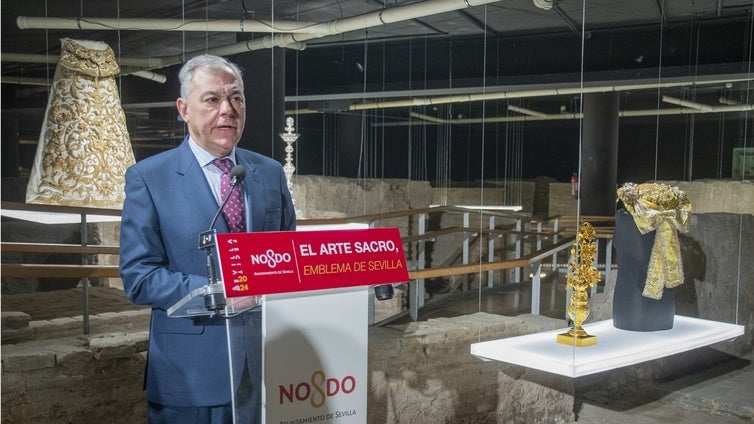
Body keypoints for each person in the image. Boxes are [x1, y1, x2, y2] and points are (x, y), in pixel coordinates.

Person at [119, 54, 296, 423]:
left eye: (237, 98)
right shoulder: (150, 178)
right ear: (184, 108)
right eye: (212, 99)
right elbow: (139, 277)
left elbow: (287, 257)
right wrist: (220, 291)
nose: (228, 109)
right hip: (190, 375)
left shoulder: (270, 173)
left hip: (265, 366)